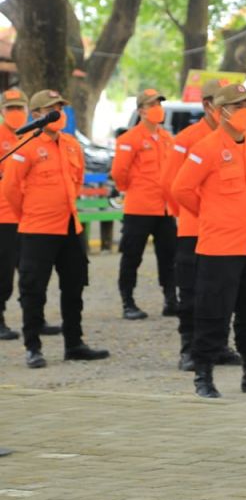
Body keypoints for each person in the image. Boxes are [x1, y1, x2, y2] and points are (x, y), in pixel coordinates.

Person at [171, 83, 246, 398]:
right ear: (221, 111)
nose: (245, 112)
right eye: (239, 107)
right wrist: (210, 215)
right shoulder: (206, 148)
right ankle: (204, 376)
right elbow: (180, 189)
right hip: (219, 246)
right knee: (213, 312)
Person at [3, 89, 109, 368]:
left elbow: (76, 181)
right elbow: (10, 189)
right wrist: (29, 214)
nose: (58, 112)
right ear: (36, 114)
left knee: (74, 286)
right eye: (52, 108)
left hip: (70, 227)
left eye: (61, 107)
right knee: (33, 289)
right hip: (37, 229)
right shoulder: (24, 146)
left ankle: (74, 343)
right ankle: (33, 347)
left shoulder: (72, 144)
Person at [163, 79, 239, 371]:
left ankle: (219, 344)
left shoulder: (241, 138)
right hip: (195, 229)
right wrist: (201, 213)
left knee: (225, 289)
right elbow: (170, 185)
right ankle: (189, 348)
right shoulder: (186, 139)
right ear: (208, 105)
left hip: (229, 231)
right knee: (193, 292)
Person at [110, 89, 177, 320]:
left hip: (165, 208)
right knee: (132, 256)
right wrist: (134, 189)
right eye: (152, 105)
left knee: (169, 257)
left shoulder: (168, 138)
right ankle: (128, 302)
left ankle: (171, 299)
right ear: (141, 111)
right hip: (139, 208)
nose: (157, 108)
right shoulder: (129, 139)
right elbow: (119, 173)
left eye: (159, 104)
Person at [0, 89, 29, 341]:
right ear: (2, 112)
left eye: (20, 108)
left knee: (32, 272)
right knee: (3, 274)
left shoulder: (31, 137)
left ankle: (35, 319)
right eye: (11, 109)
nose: (16, 114)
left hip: (27, 216)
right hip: (3, 217)